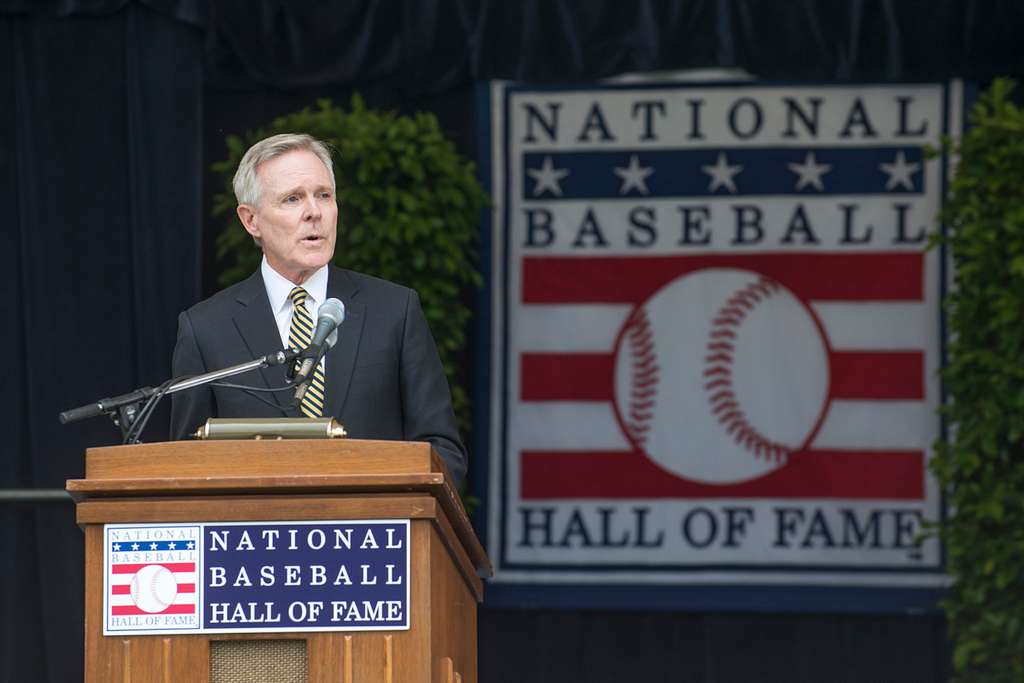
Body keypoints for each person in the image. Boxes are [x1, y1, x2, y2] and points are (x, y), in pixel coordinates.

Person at [170, 133, 467, 485]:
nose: (314, 212)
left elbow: (442, 451)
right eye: (292, 199)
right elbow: (183, 464)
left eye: (324, 195)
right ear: (251, 220)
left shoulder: (394, 311)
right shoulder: (206, 329)